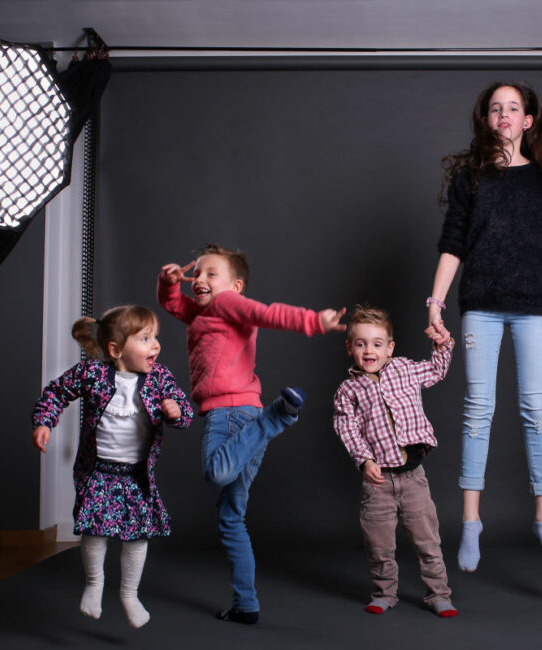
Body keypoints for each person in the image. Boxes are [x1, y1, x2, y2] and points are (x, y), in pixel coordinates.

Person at [427, 80, 542, 572]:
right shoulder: (470, 178)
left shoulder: (541, 178)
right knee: (478, 411)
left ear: (527, 121)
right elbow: (454, 243)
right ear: (487, 120)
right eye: (496, 108)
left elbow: (541, 245)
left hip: (534, 303)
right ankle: (471, 524)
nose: (505, 115)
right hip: (482, 304)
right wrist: (436, 301)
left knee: (537, 409)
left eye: (514, 108)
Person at [157, 244, 345, 624]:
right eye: (199, 273)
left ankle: (277, 417)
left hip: (232, 413)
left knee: (217, 472)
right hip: (246, 419)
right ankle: (246, 605)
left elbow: (267, 313)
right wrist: (169, 281)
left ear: (235, 286)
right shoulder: (204, 312)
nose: (201, 280)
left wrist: (313, 322)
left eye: (213, 274)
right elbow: (173, 305)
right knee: (231, 518)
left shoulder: (228, 305)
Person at [32, 305, 194, 628]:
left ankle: (129, 593)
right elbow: (57, 392)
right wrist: (44, 421)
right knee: (95, 530)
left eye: (155, 337)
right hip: (99, 471)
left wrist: (176, 411)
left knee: (137, 536)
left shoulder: (159, 377)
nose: (155, 345)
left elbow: (185, 412)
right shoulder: (92, 374)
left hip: (136, 475)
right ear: (116, 350)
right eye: (145, 338)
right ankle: (94, 584)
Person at [333, 305, 458, 618]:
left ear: (390, 348)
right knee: (379, 546)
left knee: (428, 542)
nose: (369, 350)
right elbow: (346, 427)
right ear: (350, 348)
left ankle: (439, 594)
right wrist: (364, 460)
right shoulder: (348, 390)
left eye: (377, 343)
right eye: (360, 344)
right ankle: (384, 593)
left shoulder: (404, 369)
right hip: (377, 483)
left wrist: (442, 344)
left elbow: (436, 370)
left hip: (413, 478)